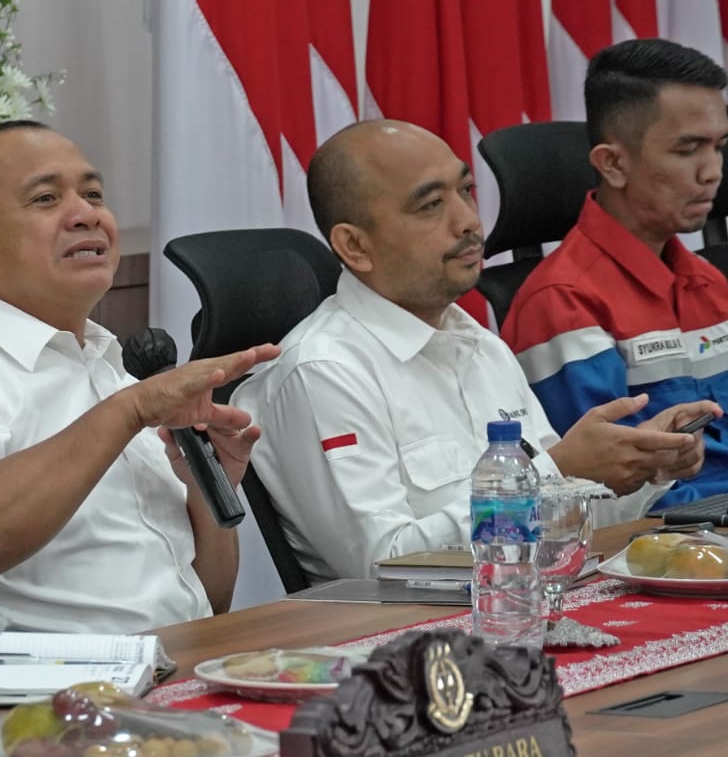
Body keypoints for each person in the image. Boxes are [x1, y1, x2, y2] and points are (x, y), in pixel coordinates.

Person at [232, 120, 717, 583]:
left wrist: (642, 469)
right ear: (356, 246)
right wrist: (554, 472)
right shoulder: (323, 372)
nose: (468, 221)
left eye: (465, 191)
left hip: (526, 606)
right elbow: (380, 565)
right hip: (409, 643)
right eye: (430, 206)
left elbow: (564, 525)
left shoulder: (483, 347)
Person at [0, 121, 276, 633]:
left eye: (94, 194)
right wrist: (129, 411)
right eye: (47, 199)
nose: (87, 215)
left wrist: (203, 492)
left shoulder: (112, 367)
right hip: (42, 700)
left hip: (177, 667)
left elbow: (207, 601)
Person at [502, 38, 728, 508]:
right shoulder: (562, 302)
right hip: (666, 543)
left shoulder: (709, 281)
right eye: (688, 149)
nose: (712, 172)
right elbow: (611, 494)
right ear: (613, 164)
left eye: (719, 147)